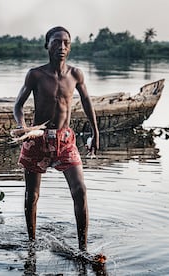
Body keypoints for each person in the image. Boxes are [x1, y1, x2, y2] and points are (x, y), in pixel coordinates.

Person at [13, 26, 99, 251]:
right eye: (56, 42)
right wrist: (22, 127)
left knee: (80, 191)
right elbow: (18, 105)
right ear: (47, 45)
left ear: (69, 47)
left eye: (66, 43)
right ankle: (31, 244)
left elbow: (88, 102)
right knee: (32, 195)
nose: (61, 47)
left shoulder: (75, 74)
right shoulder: (36, 74)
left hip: (65, 140)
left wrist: (95, 131)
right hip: (37, 139)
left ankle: (83, 248)